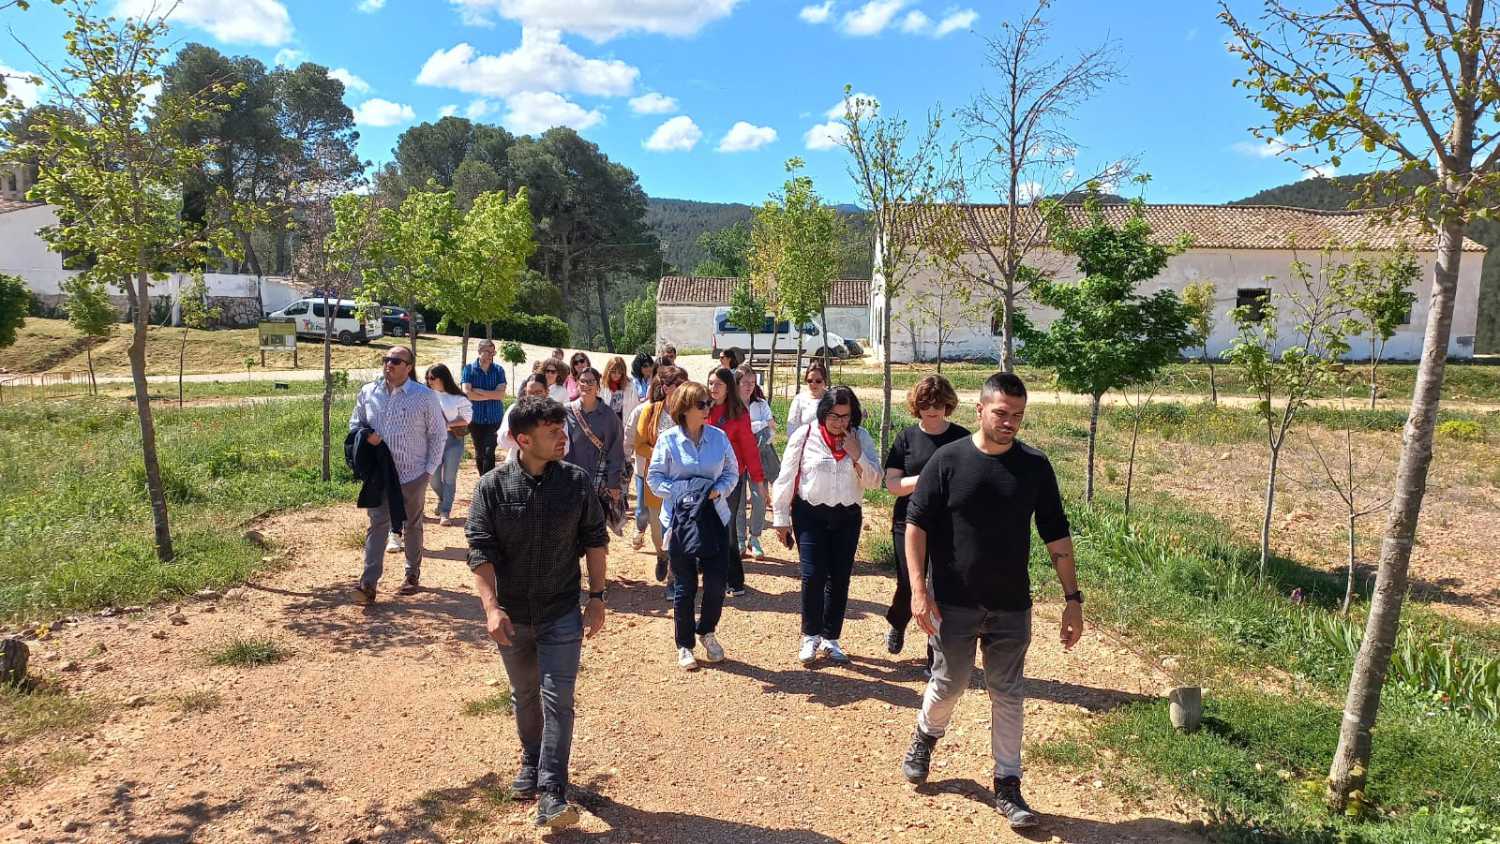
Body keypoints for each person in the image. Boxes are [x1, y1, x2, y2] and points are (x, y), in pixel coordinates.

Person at [899, 372, 1082, 831]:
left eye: (1018, 415)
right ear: (979, 410)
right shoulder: (948, 461)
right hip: (954, 602)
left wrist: (1072, 598)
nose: (1010, 423)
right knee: (950, 683)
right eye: (1001, 413)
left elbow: (1056, 533)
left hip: (1010, 604)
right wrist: (919, 590)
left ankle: (1008, 783)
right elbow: (916, 526)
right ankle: (926, 734)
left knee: (1008, 694)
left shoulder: (1035, 466)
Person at [465, 395, 608, 830]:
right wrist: (491, 608)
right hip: (512, 615)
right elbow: (479, 551)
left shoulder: (577, 482)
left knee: (557, 700)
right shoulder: (491, 487)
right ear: (523, 439)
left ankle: (551, 790)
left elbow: (594, 540)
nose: (563, 437)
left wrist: (597, 597)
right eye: (552, 432)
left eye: (562, 429)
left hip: (562, 610)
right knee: (525, 696)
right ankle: (530, 761)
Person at [771, 385, 880, 665]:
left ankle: (831, 639)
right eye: (833, 415)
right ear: (823, 413)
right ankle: (810, 636)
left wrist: (857, 454)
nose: (839, 422)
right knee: (812, 575)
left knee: (839, 578)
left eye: (845, 416)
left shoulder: (861, 438)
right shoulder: (805, 435)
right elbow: (786, 477)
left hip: (847, 516)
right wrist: (781, 519)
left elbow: (874, 481)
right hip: (810, 515)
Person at [647, 381, 738, 670]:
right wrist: (681, 493)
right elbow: (654, 478)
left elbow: (731, 472)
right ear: (684, 409)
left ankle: (707, 631)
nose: (707, 408)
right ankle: (684, 645)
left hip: (714, 517)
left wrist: (717, 490)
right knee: (685, 586)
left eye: (708, 403)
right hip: (680, 520)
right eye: (701, 404)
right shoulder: (668, 440)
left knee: (715, 583)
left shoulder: (719, 437)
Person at [348, 345, 446, 602]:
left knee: (412, 524)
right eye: (386, 359)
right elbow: (355, 423)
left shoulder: (424, 396)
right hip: (380, 475)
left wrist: (428, 471)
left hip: (413, 474)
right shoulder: (369, 392)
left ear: (409, 367)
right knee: (377, 524)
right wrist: (367, 435)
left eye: (395, 361)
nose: (388, 364)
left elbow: (438, 435)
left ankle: (412, 574)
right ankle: (368, 583)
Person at [882, 375, 969, 659]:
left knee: (940, 588)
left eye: (938, 404)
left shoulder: (962, 438)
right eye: (925, 404)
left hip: (948, 526)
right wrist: (928, 479)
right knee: (910, 585)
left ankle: (935, 657)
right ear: (916, 406)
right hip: (907, 522)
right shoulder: (906, 438)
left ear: (948, 405)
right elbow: (893, 484)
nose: (932, 409)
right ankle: (897, 622)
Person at [707, 367, 764, 597]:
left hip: (731, 477)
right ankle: (711, 575)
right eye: (710, 383)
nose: (713, 388)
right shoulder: (703, 408)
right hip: (705, 477)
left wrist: (758, 479)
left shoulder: (738, 413)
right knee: (708, 525)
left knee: (726, 527)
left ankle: (735, 579)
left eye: (718, 384)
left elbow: (749, 448)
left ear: (728, 387)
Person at [626, 366, 687, 580]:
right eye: (675, 385)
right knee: (657, 529)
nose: (680, 389)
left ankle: (675, 576)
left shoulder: (693, 412)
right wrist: (664, 456)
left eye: (683, 384)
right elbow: (639, 445)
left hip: (686, 480)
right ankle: (662, 556)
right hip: (658, 480)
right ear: (665, 387)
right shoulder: (650, 411)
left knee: (682, 527)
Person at [564, 367, 626, 535]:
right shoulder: (565, 412)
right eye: (582, 381)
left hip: (598, 484)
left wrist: (613, 483)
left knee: (595, 533)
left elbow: (616, 451)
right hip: (570, 482)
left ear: (598, 386)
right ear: (577, 384)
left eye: (591, 381)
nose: (586, 385)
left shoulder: (609, 416)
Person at [424, 363, 474, 526]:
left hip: (453, 440)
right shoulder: (426, 395)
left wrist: (446, 425)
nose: (429, 381)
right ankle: (443, 499)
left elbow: (467, 418)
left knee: (449, 478)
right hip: (432, 441)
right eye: (427, 378)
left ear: (443, 378)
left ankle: (445, 512)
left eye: (432, 378)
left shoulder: (458, 397)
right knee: (433, 478)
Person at [737, 362, 778, 561]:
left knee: (759, 497)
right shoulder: (731, 405)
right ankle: (739, 538)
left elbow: (771, 430)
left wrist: (754, 427)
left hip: (758, 456)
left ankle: (755, 538)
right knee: (737, 501)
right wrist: (759, 426)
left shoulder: (760, 404)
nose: (749, 386)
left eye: (752, 382)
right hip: (736, 459)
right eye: (745, 382)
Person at [461, 339, 508, 475]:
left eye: (493, 352)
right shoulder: (469, 369)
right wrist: (492, 394)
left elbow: (501, 395)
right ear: (479, 351)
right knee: (479, 451)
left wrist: (479, 391)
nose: (490, 355)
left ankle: (488, 481)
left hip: (494, 418)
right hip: (476, 418)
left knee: (489, 451)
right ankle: (483, 479)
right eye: (488, 351)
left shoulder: (499, 370)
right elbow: (467, 393)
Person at [499, 375, 569, 456]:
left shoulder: (556, 412)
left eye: (539, 392)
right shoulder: (515, 410)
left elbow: (565, 446)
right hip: (518, 459)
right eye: (530, 393)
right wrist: (509, 436)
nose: (534, 397)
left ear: (547, 391)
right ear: (525, 392)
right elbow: (502, 442)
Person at [785, 362, 828, 439]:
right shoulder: (799, 399)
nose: (813, 384)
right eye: (810, 381)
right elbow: (791, 427)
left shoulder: (832, 399)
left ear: (824, 380)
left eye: (818, 381)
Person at [601, 356, 639, 426]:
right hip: (605, 423)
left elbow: (635, 406)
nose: (616, 375)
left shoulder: (630, 386)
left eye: (619, 372)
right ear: (608, 371)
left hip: (623, 422)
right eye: (613, 372)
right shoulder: (602, 385)